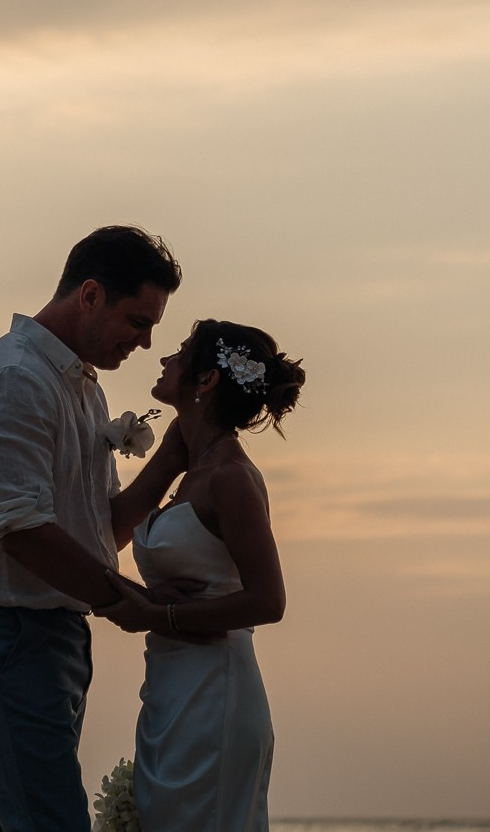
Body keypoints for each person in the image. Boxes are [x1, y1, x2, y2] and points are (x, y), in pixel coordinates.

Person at [0, 225, 194, 832]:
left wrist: (172, 456)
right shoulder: (13, 380)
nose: (146, 342)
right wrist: (134, 603)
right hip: (7, 632)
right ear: (91, 295)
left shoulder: (80, 389)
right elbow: (22, 530)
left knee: (11, 821)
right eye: (138, 322)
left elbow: (97, 530)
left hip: (49, 633)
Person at [104, 319, 306, 832]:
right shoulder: (189, 467)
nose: (165, 359)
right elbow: (107, 533)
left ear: (208, 379)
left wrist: (161, 614)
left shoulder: (231, 479)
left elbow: (269, 601)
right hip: (168, 686)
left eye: (180, 352)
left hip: (216, 689)